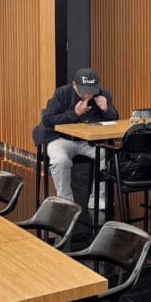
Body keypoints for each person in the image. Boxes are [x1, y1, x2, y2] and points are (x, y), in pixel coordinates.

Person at [40, 67, 118, 207]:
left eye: (91, 91)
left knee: (105, 155)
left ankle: (97, 200)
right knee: (60, 160)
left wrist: (106, 109)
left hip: (89, 142)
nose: (87, 95)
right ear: (74, 85)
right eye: (83, 91)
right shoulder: (62, 93)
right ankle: (66, 201)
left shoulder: (103, 94)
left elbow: (114, 120)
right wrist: (74, 114)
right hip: (61, 139)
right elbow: (47, 120)